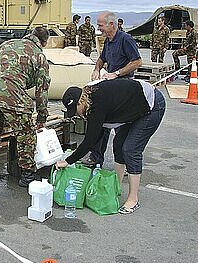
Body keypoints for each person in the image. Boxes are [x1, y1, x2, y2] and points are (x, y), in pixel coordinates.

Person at [57, 79, 166, 213]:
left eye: (76, 110)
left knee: (130, 149)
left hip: (151, 105)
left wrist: (68, 161)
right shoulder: (89, 100)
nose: (77, 114)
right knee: (118, 144)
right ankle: (116, 188)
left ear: (81, 102)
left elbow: (90, 140)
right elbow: (97, 135)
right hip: (131, 107)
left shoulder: (96, 105)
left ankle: (133, 199)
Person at [0, 26, 51, 187]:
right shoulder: (40, 57)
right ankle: (27, 174)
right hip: (13, 97)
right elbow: (42, 92)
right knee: (26, 135)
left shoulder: (9, 43)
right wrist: (42, 117)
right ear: (44, 42)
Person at [83, 11, 142, 166]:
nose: (98, 28)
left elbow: (137, 62)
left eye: (101, 25)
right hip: (110, 86)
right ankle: (96, 157)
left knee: (122, 127)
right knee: (101, 122)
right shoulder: (108, 40)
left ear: (111, 24)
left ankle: (125, 161)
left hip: (124, 88)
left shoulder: (125, 39)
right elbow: (102, 59)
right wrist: (96, 70)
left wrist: (116, 73)